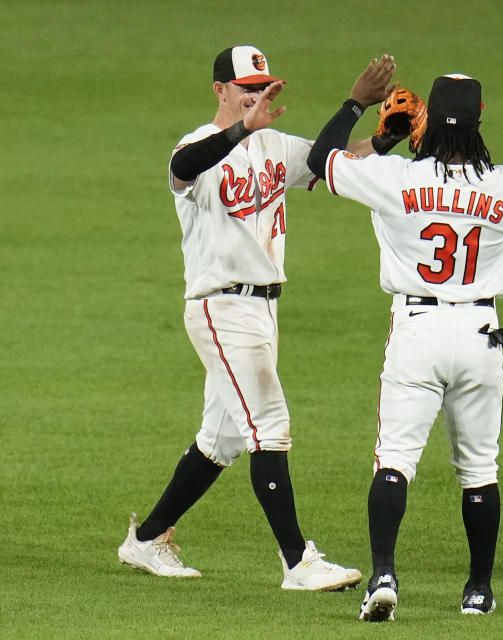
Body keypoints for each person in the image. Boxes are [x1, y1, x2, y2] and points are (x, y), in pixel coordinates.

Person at [306, 72, 503, 620]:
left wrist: (357, 105)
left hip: (416, 331)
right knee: (479, 469)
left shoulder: (391, 178)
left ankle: (384, 575)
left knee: (394, 460)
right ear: (481, 118)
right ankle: (478, 592)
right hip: (481, 337)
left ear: (427, 120)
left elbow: (323, 160)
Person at [117, 45, 397, 590]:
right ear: (220, 89)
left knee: (219, 441)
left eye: (261, 85)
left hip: (264, 308)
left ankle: (146, 540)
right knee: (269, 427)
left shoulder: (274, 144)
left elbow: (330, 159)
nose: (255, 94)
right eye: (245, 86)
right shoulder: (198, 145)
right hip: (221, 306)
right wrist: (242, 130)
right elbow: (181, 169)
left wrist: (384, 133)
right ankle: (297, 562)